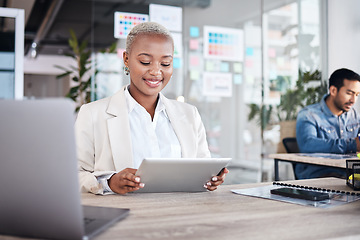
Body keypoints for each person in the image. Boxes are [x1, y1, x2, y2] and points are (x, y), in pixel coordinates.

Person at [75, 22, 229, 194]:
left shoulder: (189, 114)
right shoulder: (92, 114)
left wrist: (210, 179)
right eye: (145, 61)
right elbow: (74, 175)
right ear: (126, 59)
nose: (156, 71)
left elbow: (202, 167)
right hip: (126, 216)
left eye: (165, 64)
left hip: (181, 215)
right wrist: (109, 182)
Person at [296, 68, 360, 179]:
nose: (353, 100)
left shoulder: (354, 115)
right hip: (319, 177)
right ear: (333, 91)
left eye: (357, 95)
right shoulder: (308, 115)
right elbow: (308, 145)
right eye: (349, 93)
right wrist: (353, 144)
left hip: (348, 175)